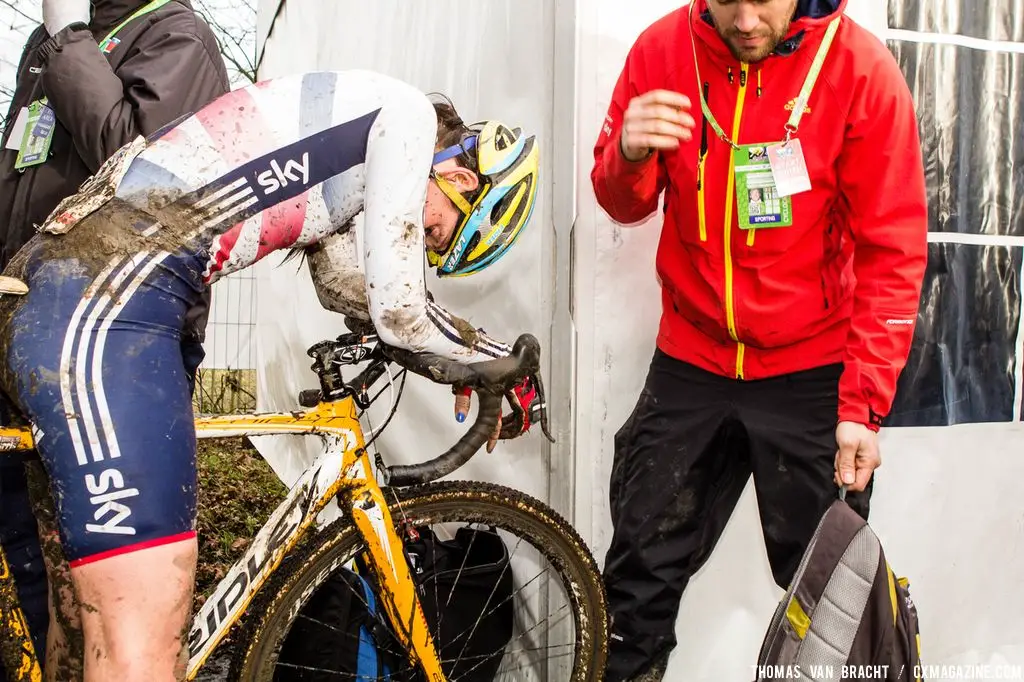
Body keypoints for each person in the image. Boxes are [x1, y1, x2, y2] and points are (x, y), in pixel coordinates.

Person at [0, 68, 542, 682]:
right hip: (109, 306)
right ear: (462, 177)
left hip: (71, 290)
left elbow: (346, 286)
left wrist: (472, 353)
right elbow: (399, 310)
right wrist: (494, 363)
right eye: (435, 230)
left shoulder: (351, 146)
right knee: (143, 657)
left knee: (83, 637)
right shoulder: (408, 116)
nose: (418, 242)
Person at [590, 1, 928, 679]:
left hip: (812, 369)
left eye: (763, 0)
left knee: (835, 604)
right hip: (692, 357)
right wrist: (626, 154)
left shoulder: (860, 71)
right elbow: (623, 202)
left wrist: (862, 406)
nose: (744, 20)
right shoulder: (663, 51)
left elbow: (891, 250)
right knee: (634, 586)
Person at [0, 0, 228, 672]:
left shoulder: (176, 34)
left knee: (99, 587)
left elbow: (140, 173)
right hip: (29, 330)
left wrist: (69, 38)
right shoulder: (47, 51)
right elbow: (19, 180)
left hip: (114, 343)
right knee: (31, 557)